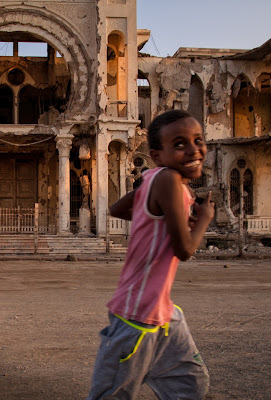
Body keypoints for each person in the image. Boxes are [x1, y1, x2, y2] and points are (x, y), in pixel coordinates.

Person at [87, 110, 215, 400]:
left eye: (198, 140)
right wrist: (204, 219)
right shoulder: (168, 179)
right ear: (157, 155)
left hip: (164, 313)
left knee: (190, 385)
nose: (194, 150)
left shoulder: (154, 178)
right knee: (113, 395)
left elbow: (118, 209)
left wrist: (166, 219)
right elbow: (185, 250)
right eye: (180, 144)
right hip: (137, 315)